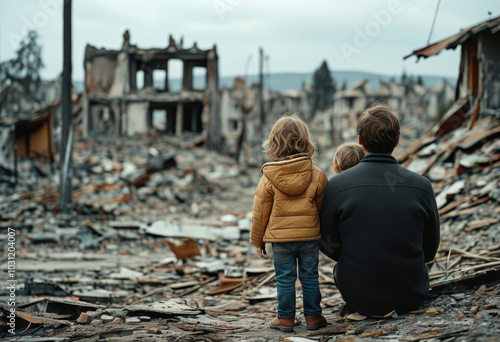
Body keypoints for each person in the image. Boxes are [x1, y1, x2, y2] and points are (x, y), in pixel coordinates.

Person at [319, 104, 440, 317]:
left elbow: (328, 244)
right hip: (411, 293)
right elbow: (429, 250)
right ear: (397, 140)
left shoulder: (337, 186)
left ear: (360, 141)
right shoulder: (421, 186)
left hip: (358, 295)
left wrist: (356, 251)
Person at [250, 115, 329, 332]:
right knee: (310, 277)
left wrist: (258, 240)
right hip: (309, 238)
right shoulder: (318, 175)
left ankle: (285, 319)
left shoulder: (268, 178)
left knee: (285, 279)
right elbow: (322, 208)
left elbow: (260, 213)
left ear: (274, 144)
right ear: (306, 142)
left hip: (280, 240)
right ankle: (314, 317)